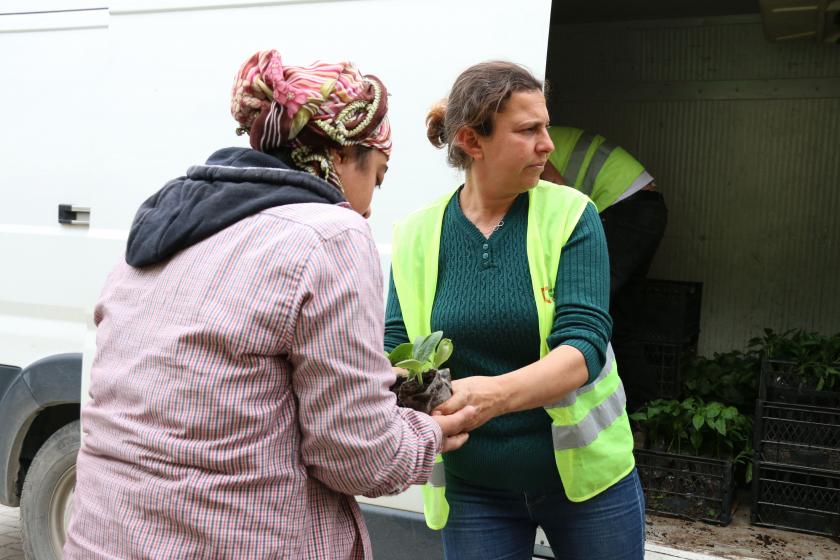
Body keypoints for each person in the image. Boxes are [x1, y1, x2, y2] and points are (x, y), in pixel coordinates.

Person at [64, 50, 474, 560]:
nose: (370, 204)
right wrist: (428, 431)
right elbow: (359, 458)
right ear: (342, 155)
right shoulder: (330, 234)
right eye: (378, 175)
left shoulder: (166, 225)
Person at [384, 61, 644, 560]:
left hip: (587, 485)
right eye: (529, 130)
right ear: (472, 142)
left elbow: (584, 345)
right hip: (474, 487)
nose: (547, 144)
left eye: (545, 127)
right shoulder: (415, 233)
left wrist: (494, 397)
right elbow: (395, 346)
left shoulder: (571, 214)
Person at [541, 128, 668, 410]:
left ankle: (576, 400)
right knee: (620, 322)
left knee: (583, 311)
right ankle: (646, 412)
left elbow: (558, 190)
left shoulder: (528, 141)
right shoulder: (542, 132)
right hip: (644, 208)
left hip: (624, 209)